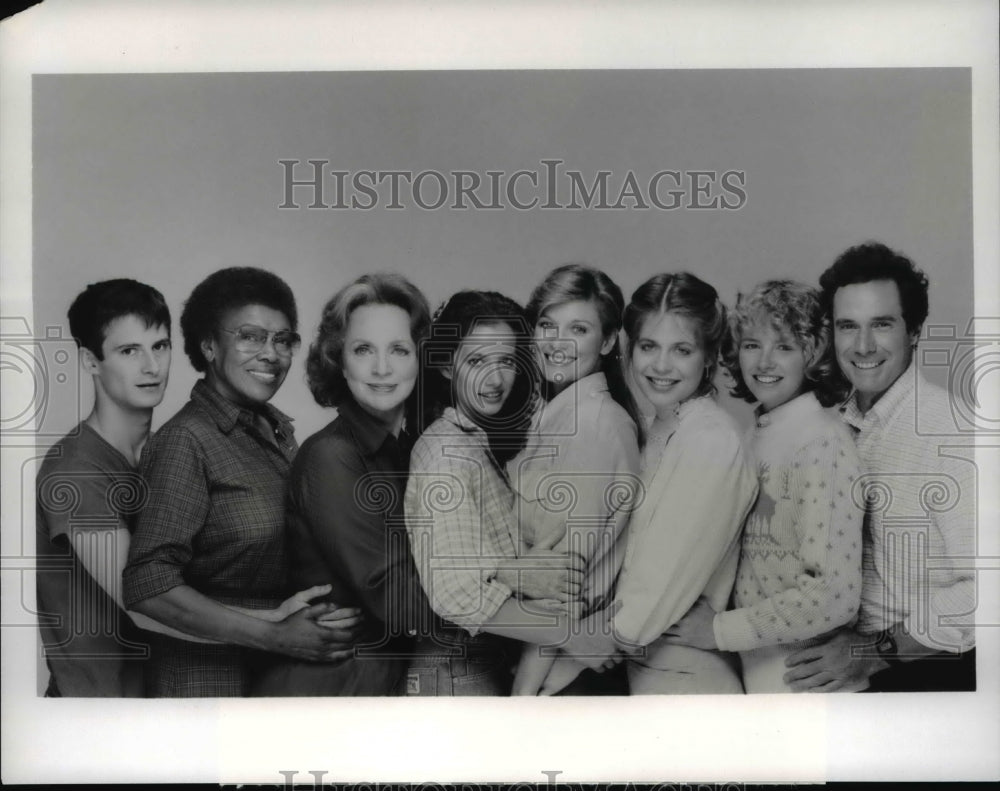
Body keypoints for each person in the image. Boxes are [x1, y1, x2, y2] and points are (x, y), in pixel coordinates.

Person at [122, 268, 360, 697]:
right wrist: (273, 634)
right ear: (209, 345)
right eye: (251, 337)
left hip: (273, 676)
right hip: (203, 684)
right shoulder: (186, 441)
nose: (271, 354)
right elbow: (147, 585)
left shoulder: (278, 432)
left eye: (282, 340)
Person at [544, 272, 759, 695]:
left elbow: (658, 583)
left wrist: (565, 650)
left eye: (682, 350)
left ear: (708, 357)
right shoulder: (653, 427)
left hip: (687, 681)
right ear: (629, 347)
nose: (661, 366)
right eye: (648, 346)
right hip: (640, 670)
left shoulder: (712, 440)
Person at [403, 290, 618, 696]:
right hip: (457, 669)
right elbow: (456, 593)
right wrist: (571, 635)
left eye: (505, 361)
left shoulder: (477, 442)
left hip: (482, 662)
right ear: (447, 365)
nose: (495, 380)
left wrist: (516, 567)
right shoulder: (445, 455)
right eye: (476, 361)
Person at [783, 242, 976, 692]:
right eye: (848, 326)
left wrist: (873, 653)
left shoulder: (954, 431)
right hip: (839, 663)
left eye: (882, 324)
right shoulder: (829, 426)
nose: (863, 346)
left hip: (925, 672)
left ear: (915, 330)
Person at [663, 279, 864, 692]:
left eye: (785, 347)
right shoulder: (755, 434)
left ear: (813, 355)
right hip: (760, 674)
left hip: (807, 684)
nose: (765, 361)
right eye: (752, 344)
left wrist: (719, 630)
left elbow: (834, 593)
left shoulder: (822, 442)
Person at [253, 273, 441, 696]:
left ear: (420, 357)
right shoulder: (331, 456)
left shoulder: (415, 446)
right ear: (339, 360)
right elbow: (397, 600)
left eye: (399, 349)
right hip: (328, 690)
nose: (381, 368)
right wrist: (513, 600)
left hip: (385, 683)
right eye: (363, 350)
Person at [36, 279, 199, 696]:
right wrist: (275, 629)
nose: (152, 366)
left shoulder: (168, 454)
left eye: (160, 346)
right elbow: (147, 605)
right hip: (93, 713)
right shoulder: (74, 471)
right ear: (90, 361)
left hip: (164, 699)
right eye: (129, 351)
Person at [509, 264, 642, 696]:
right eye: (547, 325)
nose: (558, 342)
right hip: (544, 658)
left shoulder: (593, 427)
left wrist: (522, 698)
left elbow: (563, 584)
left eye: (578, 329)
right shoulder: (553, 417)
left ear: (607, 341)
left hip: (558, 676)